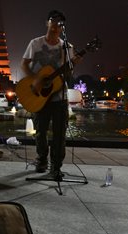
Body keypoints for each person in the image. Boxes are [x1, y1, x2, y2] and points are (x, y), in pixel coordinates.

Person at [20, 10, 82, 178]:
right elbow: (24, 64)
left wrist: (73, 64)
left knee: (60, 135)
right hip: (39, 96)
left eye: (60, 23)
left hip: (59, 98)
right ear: (47, 23)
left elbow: (68, 75)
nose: (56, 26)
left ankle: (56, 166)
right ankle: (41, 160)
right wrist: (34, 80)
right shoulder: (35, 43)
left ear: (63, 28)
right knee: (40, 132)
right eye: (53, 21)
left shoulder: (67, 47)